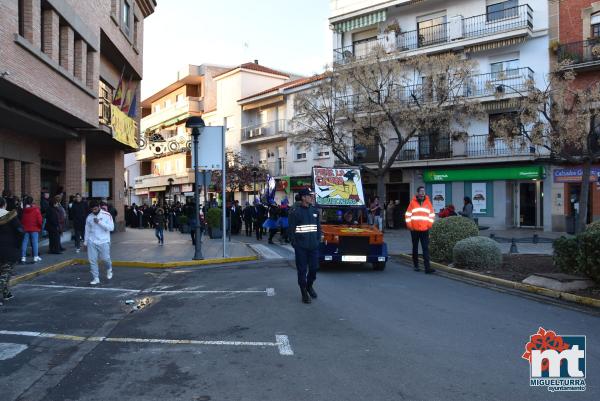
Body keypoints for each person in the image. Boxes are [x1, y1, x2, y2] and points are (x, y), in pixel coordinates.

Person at [288, 188, 322, 304]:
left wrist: (318, 240)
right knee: (302, 270)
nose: (311, 197)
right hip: (301, 247)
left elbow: (318, 228)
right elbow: (291, 229)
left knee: (313, 269)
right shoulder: (295, 212)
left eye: (311, 195)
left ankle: (309, 286)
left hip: (313, 246)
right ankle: (304, 293)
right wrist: (295, 243)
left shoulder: (314, 211)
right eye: (309, 195)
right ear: (303, 197)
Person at [84, 201, 114, 285]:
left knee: (105, 259)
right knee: (92, 260)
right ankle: (96, 278)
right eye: (92, 209)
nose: (94, 211)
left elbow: (111, 228)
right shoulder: (89, 217)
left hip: (104, 241)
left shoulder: (107, 215)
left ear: (99, 207)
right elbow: (87, 230)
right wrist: (85, 242)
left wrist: (99, 222)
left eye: (95, 209)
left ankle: (109, 269)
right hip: (92, 241)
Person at [406, 187, 435, 274]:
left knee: (425, 248)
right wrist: (410, 226)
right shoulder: (412, 203)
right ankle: (416, 265)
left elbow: (432, 215)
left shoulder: (428, 203)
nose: (423, 193)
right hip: (414, 230)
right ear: (417, 193)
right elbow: (408, 215)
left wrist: (429, 225)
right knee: (415, 248)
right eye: (421, 191)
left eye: (423, 191)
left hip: (425, 229)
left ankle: (427, 268)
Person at [0, 196, 24, 305]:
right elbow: (20, 232)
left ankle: (6, 293)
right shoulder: (11, 216)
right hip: (8, 248)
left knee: (4, 273)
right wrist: (17, 246)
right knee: (5, 273)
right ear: (4, 205)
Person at [20, 196, 43, 263]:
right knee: (35, 242)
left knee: (24, 243)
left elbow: (22, 220)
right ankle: (35, 256)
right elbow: (39, 220)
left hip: (25, 228)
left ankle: (23, 257)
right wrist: (40, 226)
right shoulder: (36, 209)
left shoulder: (24, 210)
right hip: (34, 228)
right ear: (32, 202)